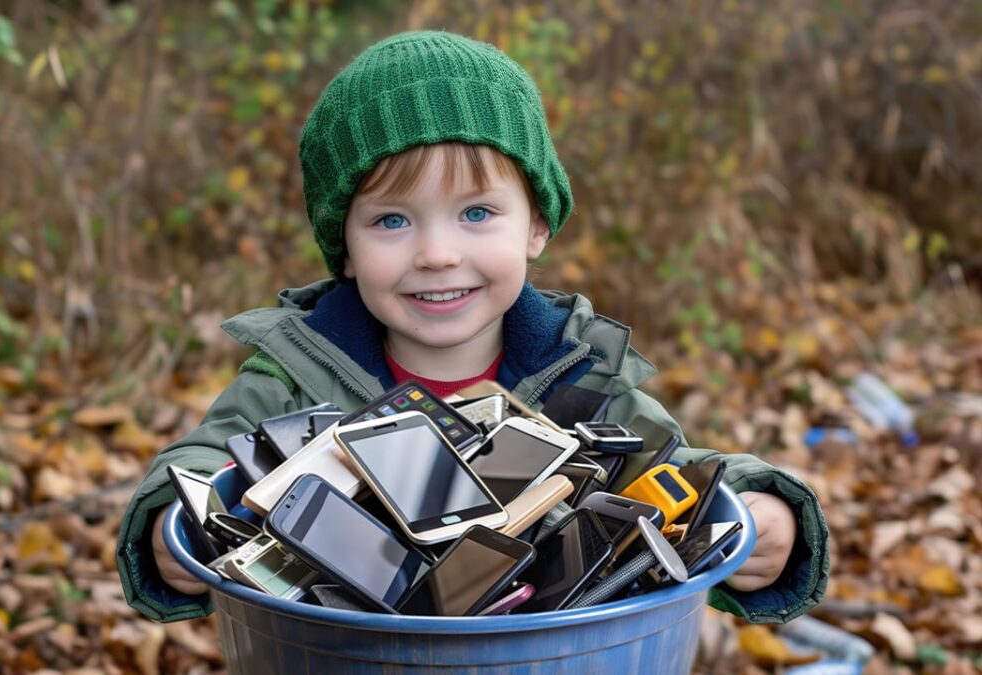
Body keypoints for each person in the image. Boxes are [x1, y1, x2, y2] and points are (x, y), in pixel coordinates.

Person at [117, 30, 828, 625]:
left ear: (538, 224)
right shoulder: (297, 376)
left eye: (476, 213)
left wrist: (765, 510)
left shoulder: (577, 375)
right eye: (392, 220)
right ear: (346, 246)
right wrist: (168, 531)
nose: (436, 253)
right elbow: (204, 462)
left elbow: (674, 472)